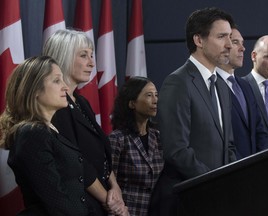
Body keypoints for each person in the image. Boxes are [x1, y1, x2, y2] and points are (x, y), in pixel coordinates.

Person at [154, 7, 236, 216]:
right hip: (187, 201)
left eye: (230, 37)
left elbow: (229, 145)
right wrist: (214, 182)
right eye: (221, 37)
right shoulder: (177, 83)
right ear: (199, 40)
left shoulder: (223, 87)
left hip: (218, 199)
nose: (229, 45)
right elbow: (176, 150)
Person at [42, 29, 128, 216]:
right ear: (62, 56)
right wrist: (110, 202)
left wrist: (115, 187)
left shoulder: (81, 102)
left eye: (92, 55)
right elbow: (76, 163)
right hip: (82, 205)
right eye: (83, 55)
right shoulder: (57, 106)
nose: (91, 63)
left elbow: (102, 155)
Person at [0, 56, 94, 215]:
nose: (65, 87)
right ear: (35, 89)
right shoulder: (32, 134)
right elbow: (56, 201)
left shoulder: (48, 130)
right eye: (57, 81)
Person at [108, 76, 164, 216]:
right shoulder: (117, 138)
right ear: (132, 103)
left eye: (156, 95)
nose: (155, 100)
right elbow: (108, 183)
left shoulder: (157, 137)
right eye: (149, 95)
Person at [216, 27, 268, 159]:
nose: (242, 48)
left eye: (242, 43)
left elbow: (259, 130)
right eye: (235, 42)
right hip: (230, 172)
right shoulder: (212, 85)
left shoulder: (246, 86)